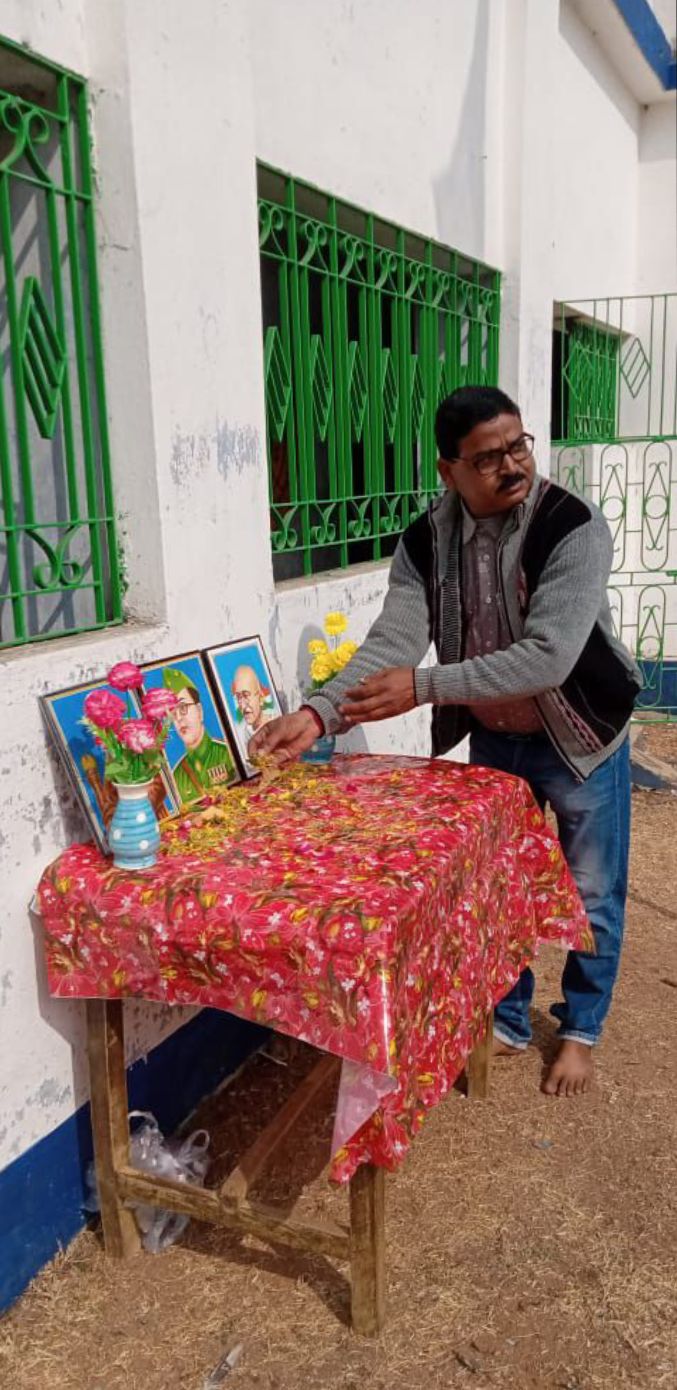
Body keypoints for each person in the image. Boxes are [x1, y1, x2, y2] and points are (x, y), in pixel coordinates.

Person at [250, 385, 641, 1098]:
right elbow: (391, 645)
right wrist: (317, 714)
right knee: (502, 891)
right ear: (448, 470)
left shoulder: (572, 524)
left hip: (580, 738)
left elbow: (548, 656)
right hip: (496, 737)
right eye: (487, 457)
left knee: (591, 894)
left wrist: (424, 686)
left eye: (517, 446)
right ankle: (509, 1019)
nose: (511, 465)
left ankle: (580, 1030)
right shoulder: (425, 541)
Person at [162, 668, 236, 804]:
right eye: (172, 712)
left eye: (183, 707)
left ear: (199, 711)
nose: (178, 718)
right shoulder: (177, 776)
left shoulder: (228, 754)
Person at [231, 665, 275, 768]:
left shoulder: (275, 723)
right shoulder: (243, 732)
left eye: (246, 695)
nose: (242, 705)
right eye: (239, 697)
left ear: (260, 697)